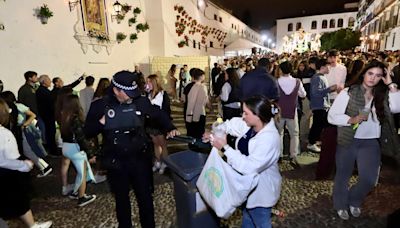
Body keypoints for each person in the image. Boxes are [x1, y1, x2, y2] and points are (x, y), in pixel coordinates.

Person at [84, 71, 179, 228]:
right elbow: (87, 131)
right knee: (122, 201)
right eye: (127, 94)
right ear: (116, 90)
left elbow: (158, 114)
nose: (131, 97)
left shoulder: (140, 102)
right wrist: (102, 122)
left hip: (140, 160)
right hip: (116, 163)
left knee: (146, 200)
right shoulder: (101, 105)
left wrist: (171, 127)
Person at [328, 60, 400, 220]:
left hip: (371, 141)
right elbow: (332, 116)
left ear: (382, 78)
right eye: (370, 73)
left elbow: (397, 107)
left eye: (378, 75)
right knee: (343, 175)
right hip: (349, 139)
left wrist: (391, 84)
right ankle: (340, 203)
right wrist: (351, 119)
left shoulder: (382, 95)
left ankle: (354, 198)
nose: (373, 78)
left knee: (369, 179)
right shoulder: (349, 92)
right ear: (364, 73)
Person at [203, 95, 282, 228]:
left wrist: (224, 147)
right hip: (246, 189)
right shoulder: (251, 125)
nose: (243, 116)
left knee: (260, 221)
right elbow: (231, 124)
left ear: (257, 115)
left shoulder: (269, 139)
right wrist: (215, 133)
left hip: (261, 194)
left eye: (246, 113)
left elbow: (249, 166)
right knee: (247, 220)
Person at [0, 98, 53, 228]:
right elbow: (5, 160)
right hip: (6, 175)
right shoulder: (4, 134)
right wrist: (24, 165)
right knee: (20, 201)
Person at [59, 94, 97, 207]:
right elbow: (80, 138)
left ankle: (76, 192)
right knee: (82, 173)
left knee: (80, 171)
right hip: (75, 149)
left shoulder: (64, 116)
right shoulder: (75, 118)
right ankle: (81, 197)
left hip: (66, 147)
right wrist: (90, 154)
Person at [276, 61, 306, 162]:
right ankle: (293, 155)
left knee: (279, 133)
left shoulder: (277, 81)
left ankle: (279, 154)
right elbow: (303, 94)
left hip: (279, 112)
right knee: (294, 134)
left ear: (280, 70)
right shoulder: (297, 81)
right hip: (292, 111)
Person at [307, 58, 337, 152]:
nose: (329, 68)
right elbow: (315, 93)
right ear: (323, 67)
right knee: (317, 125)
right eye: (328, 66)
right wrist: (329, 89)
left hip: (322, 105)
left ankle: (314, 141)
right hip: (319, 105)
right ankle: (311, 142)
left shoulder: (321, 77)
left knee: (320, 124)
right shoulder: (318, 78)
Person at [144, 74, 171, 174]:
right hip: (150, 123)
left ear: (154, 82)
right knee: (155, 144)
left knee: (163, 144)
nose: (147, 84)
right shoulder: (148, 94)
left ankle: (165, 163)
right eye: (146, 82)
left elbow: (166, 110)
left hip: (160, 123)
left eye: (149, 82)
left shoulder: (163, 94)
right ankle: (158, 161)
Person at [36, 75, 58, 156]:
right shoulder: (44, 91)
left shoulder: (42, 90)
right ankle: (53, 151)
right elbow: (50, 104)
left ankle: (52, 149)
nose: (50, 81)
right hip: (48, 115)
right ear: (44, 82)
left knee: (50, 133)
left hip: (46, 115)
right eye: (48, 80)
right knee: (50, 133)